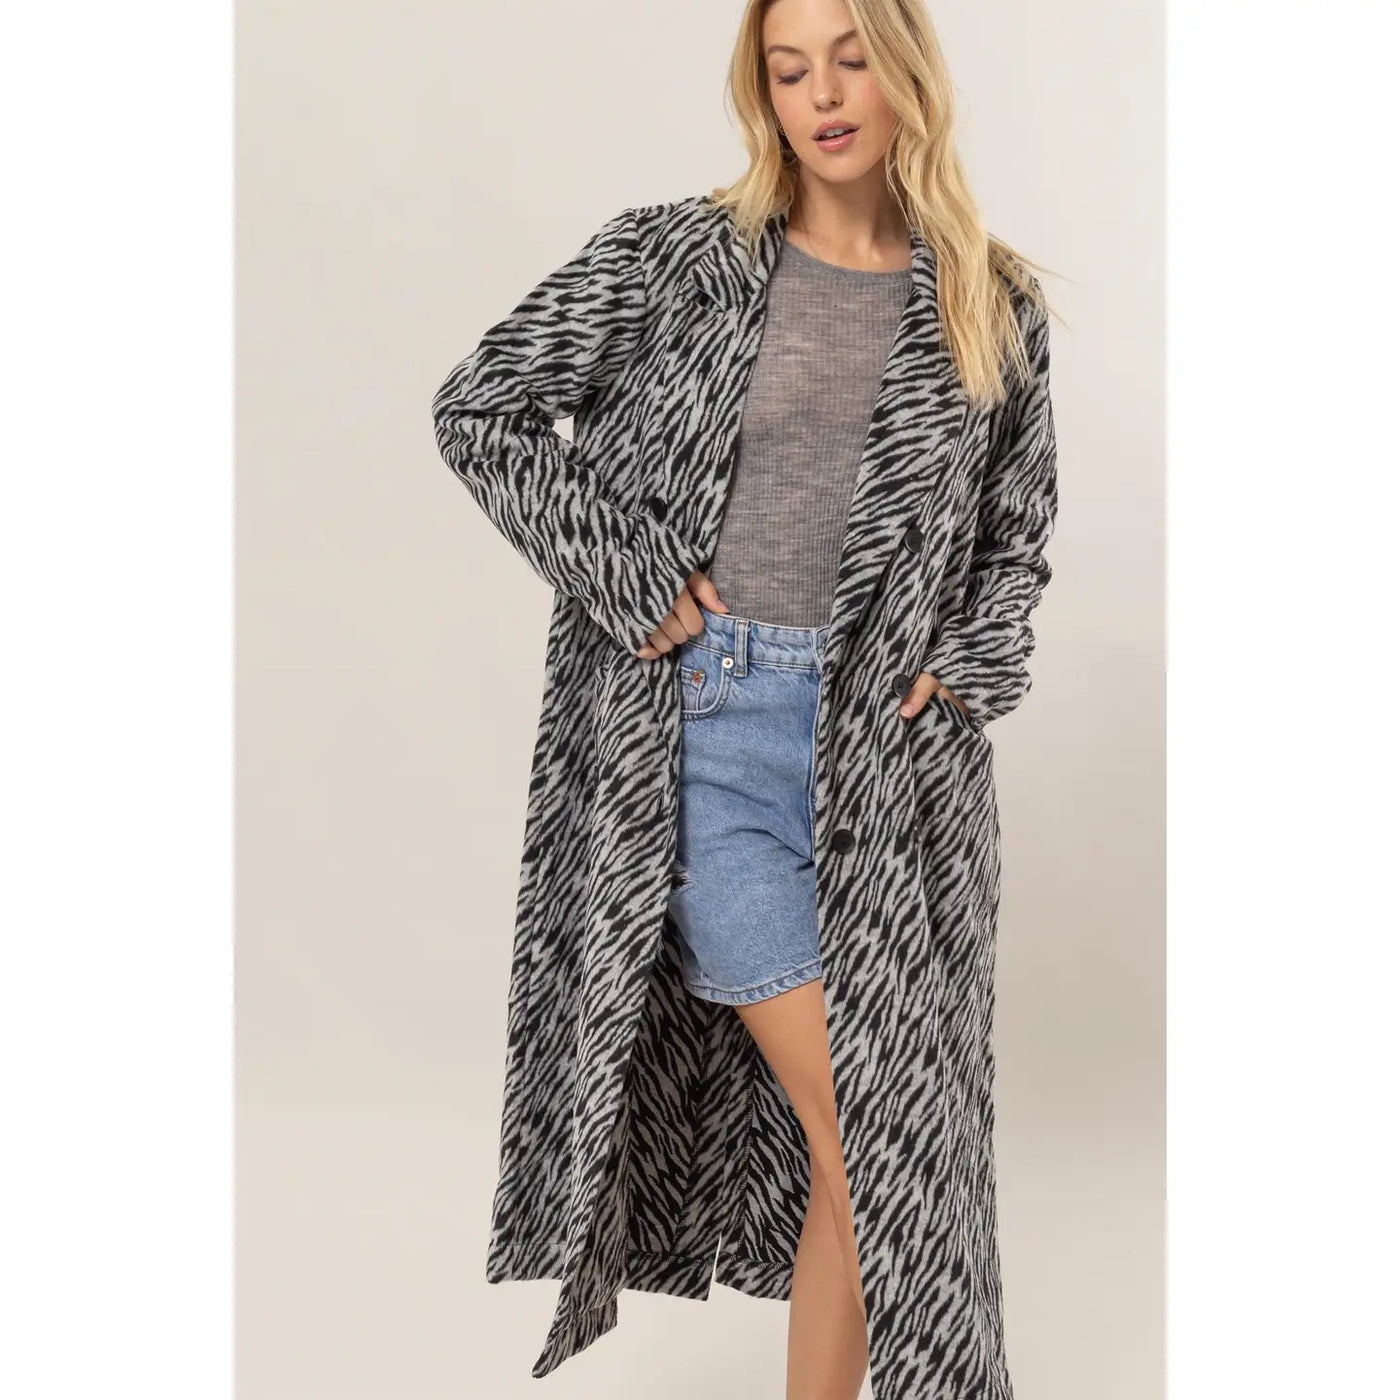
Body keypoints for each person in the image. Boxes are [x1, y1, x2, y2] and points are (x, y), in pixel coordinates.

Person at [430, 1, 1058, 1395]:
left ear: (906, 71)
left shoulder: (988, 299)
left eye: (850, 58)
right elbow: (478, 410)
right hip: (706, 743)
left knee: (877, 1143)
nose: (822, 94)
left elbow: (1015, 539)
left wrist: (968, 663)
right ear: (760, 92)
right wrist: (630, 570)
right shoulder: (672, 258)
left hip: (890, 767)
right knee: (867, 1124)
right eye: (788, 69)